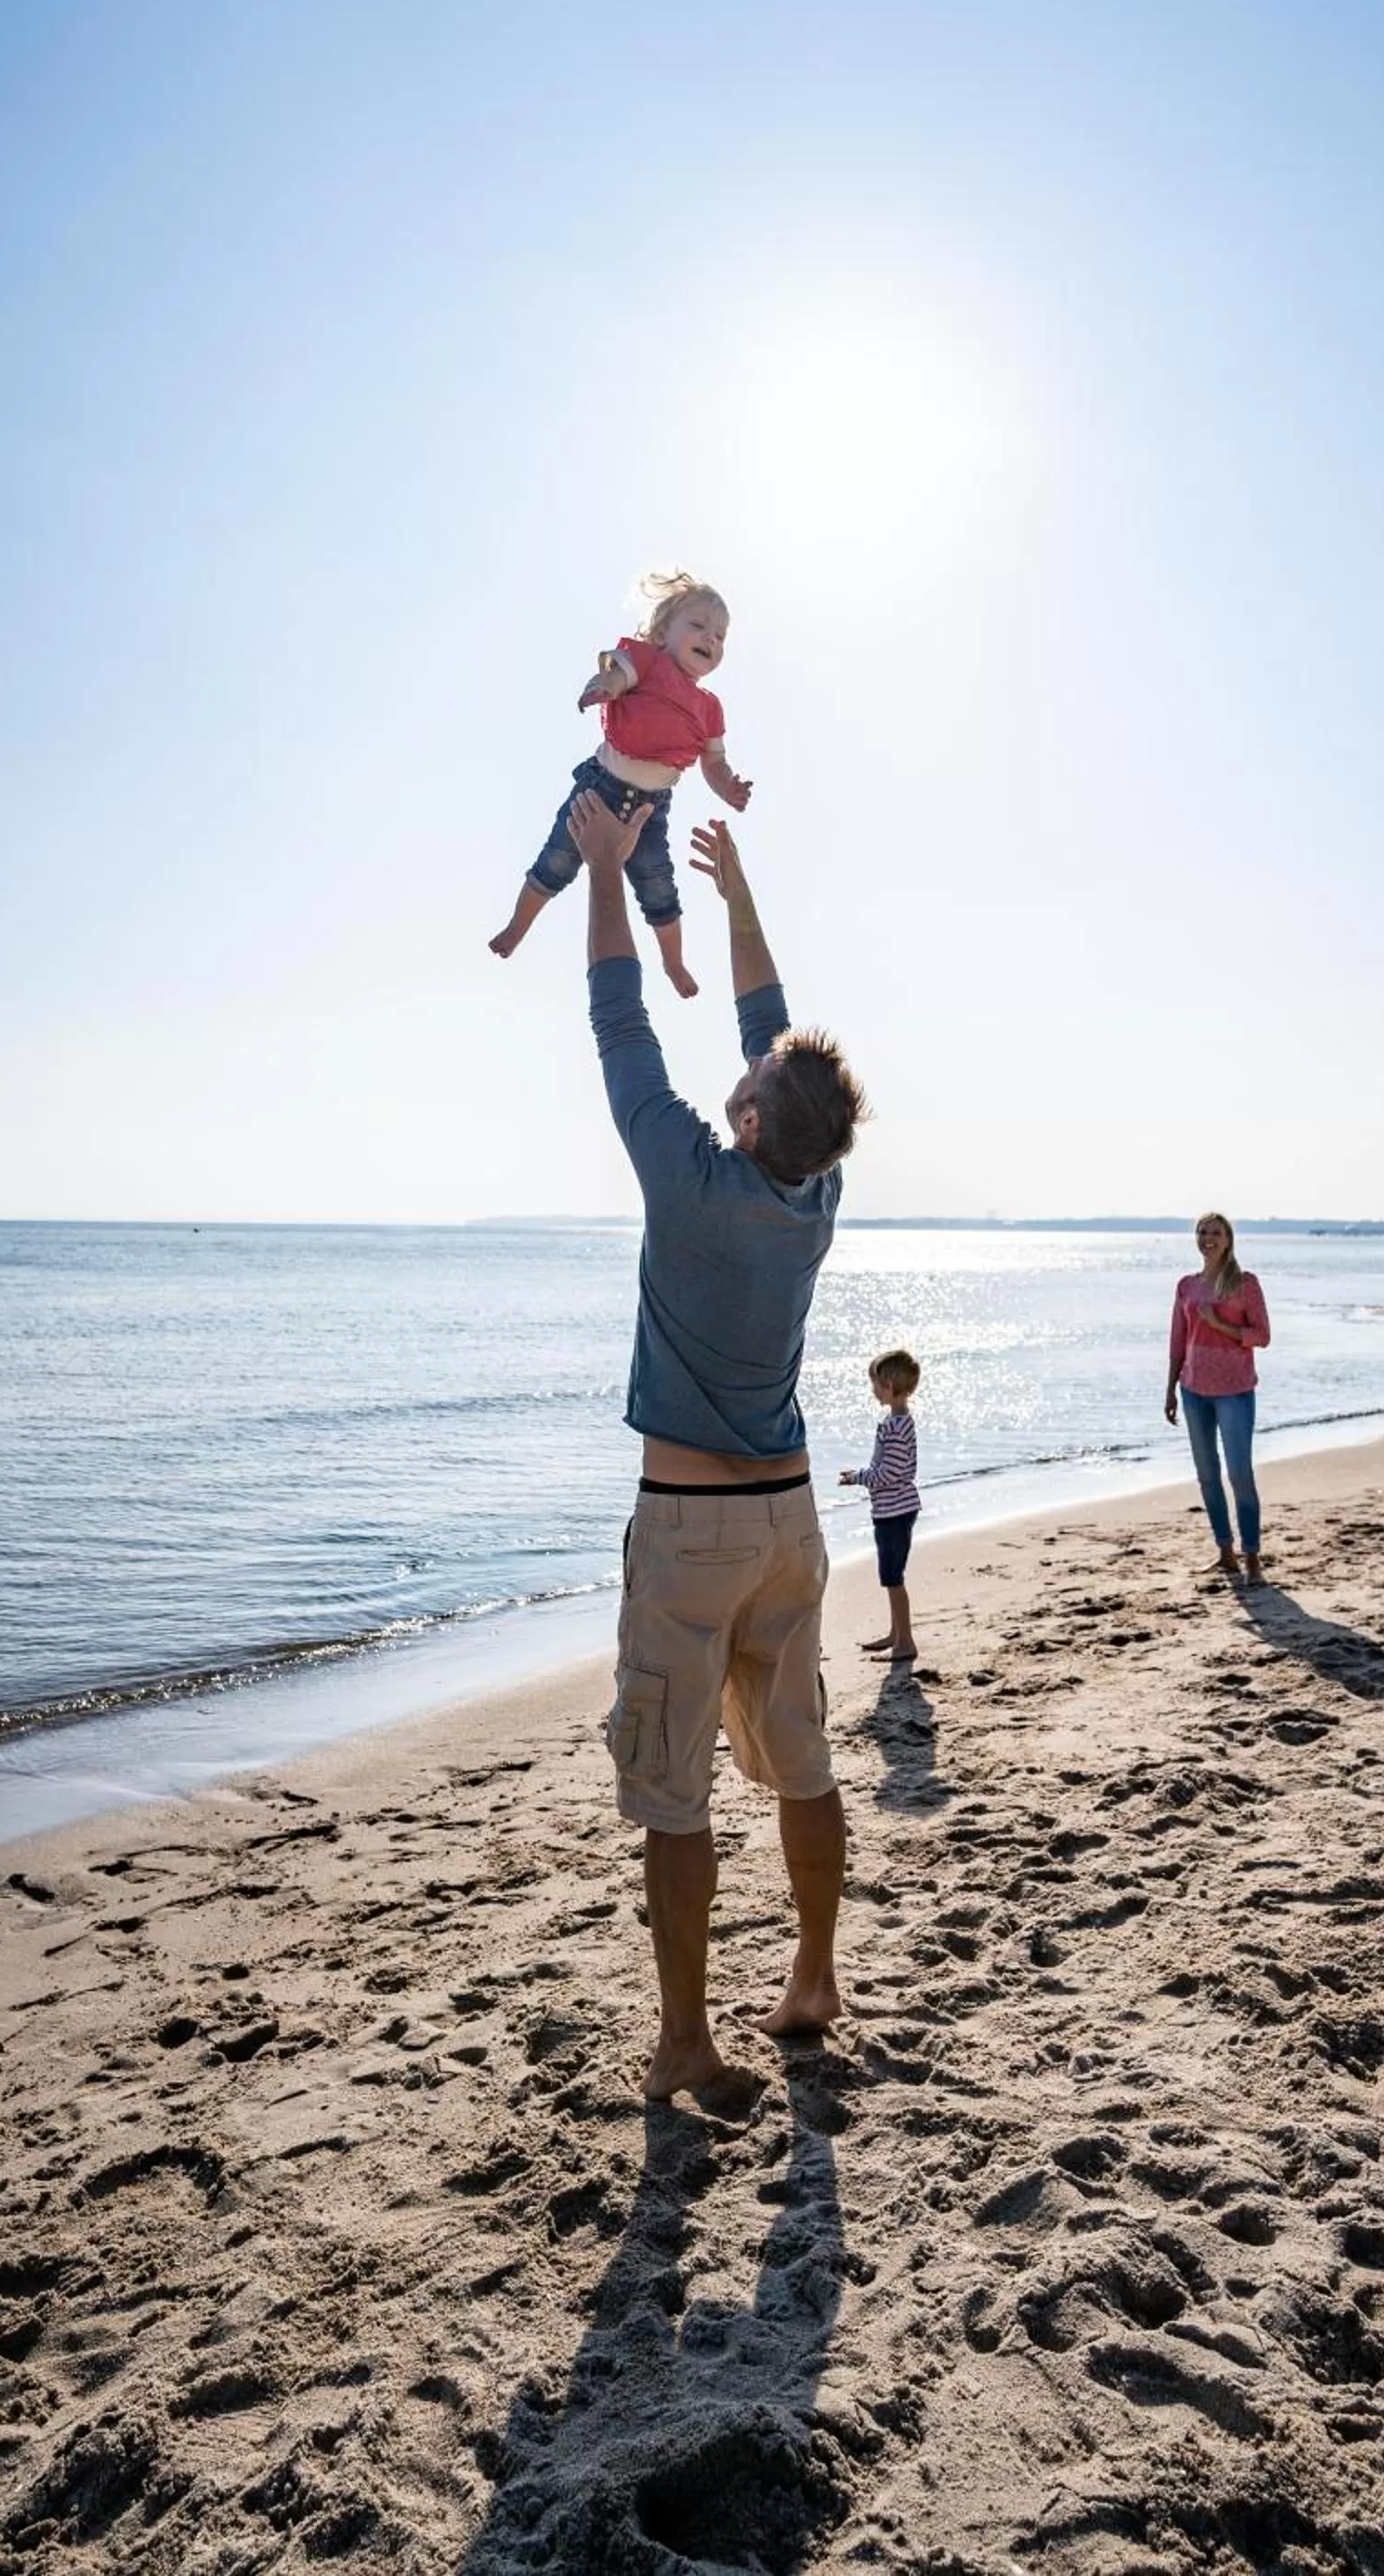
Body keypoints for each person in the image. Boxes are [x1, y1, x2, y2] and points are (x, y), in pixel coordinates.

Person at [572, 787, 866, 2104]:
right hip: (792, 1526)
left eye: (749, 1080)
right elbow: (775, 1033)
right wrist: (737, 892)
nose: (740, 1066)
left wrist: (600, 872)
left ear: (751, 1121)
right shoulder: (815, 1188)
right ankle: (813, 1976)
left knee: (675, 1795)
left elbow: (621, 1026)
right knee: (801, 1757)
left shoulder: (690, 1182)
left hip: (689, 1532)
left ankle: (686, 2039)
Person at [487, 573, 752, 999]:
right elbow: (616, 675)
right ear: (665, 631)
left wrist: (729, 788)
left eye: (720, 636)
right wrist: (602, 688)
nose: (711, 639)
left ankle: (674, 962)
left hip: (651, 810)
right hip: (601, 788)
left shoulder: (709, 707)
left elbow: (714, 762)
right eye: (698, 626)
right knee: (556, 860)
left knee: (658, 885)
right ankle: (516, 928)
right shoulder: (646, 659)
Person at [1164, 1211, 1272, 1582]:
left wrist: (1219, 1324)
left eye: (1215, 1232)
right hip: (1193, 1390)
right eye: (1202, 1231)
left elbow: (1262, 1336)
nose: (1207, 1237)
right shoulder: (1186, 1286)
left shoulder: (1245, 1283)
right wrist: (1170, 1389)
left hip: (1235, 1391)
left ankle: (1252, 1556)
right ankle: (1225, 1552)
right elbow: (1178, 1341)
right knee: (1207, 1476)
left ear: (1228, 1239)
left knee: (1239, 1473)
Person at [840, 1348, 922, 1662]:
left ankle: (906, 1642)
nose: (873, 1389)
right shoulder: (895, 1421)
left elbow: (889, 1473)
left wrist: (857, 1477)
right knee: (891, 1576)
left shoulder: (898, 1426)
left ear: (888, 1387)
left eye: (875, 1384)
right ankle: (896, 1634)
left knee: (893, 1577)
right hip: (891, 1509)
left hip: (896, 1511)